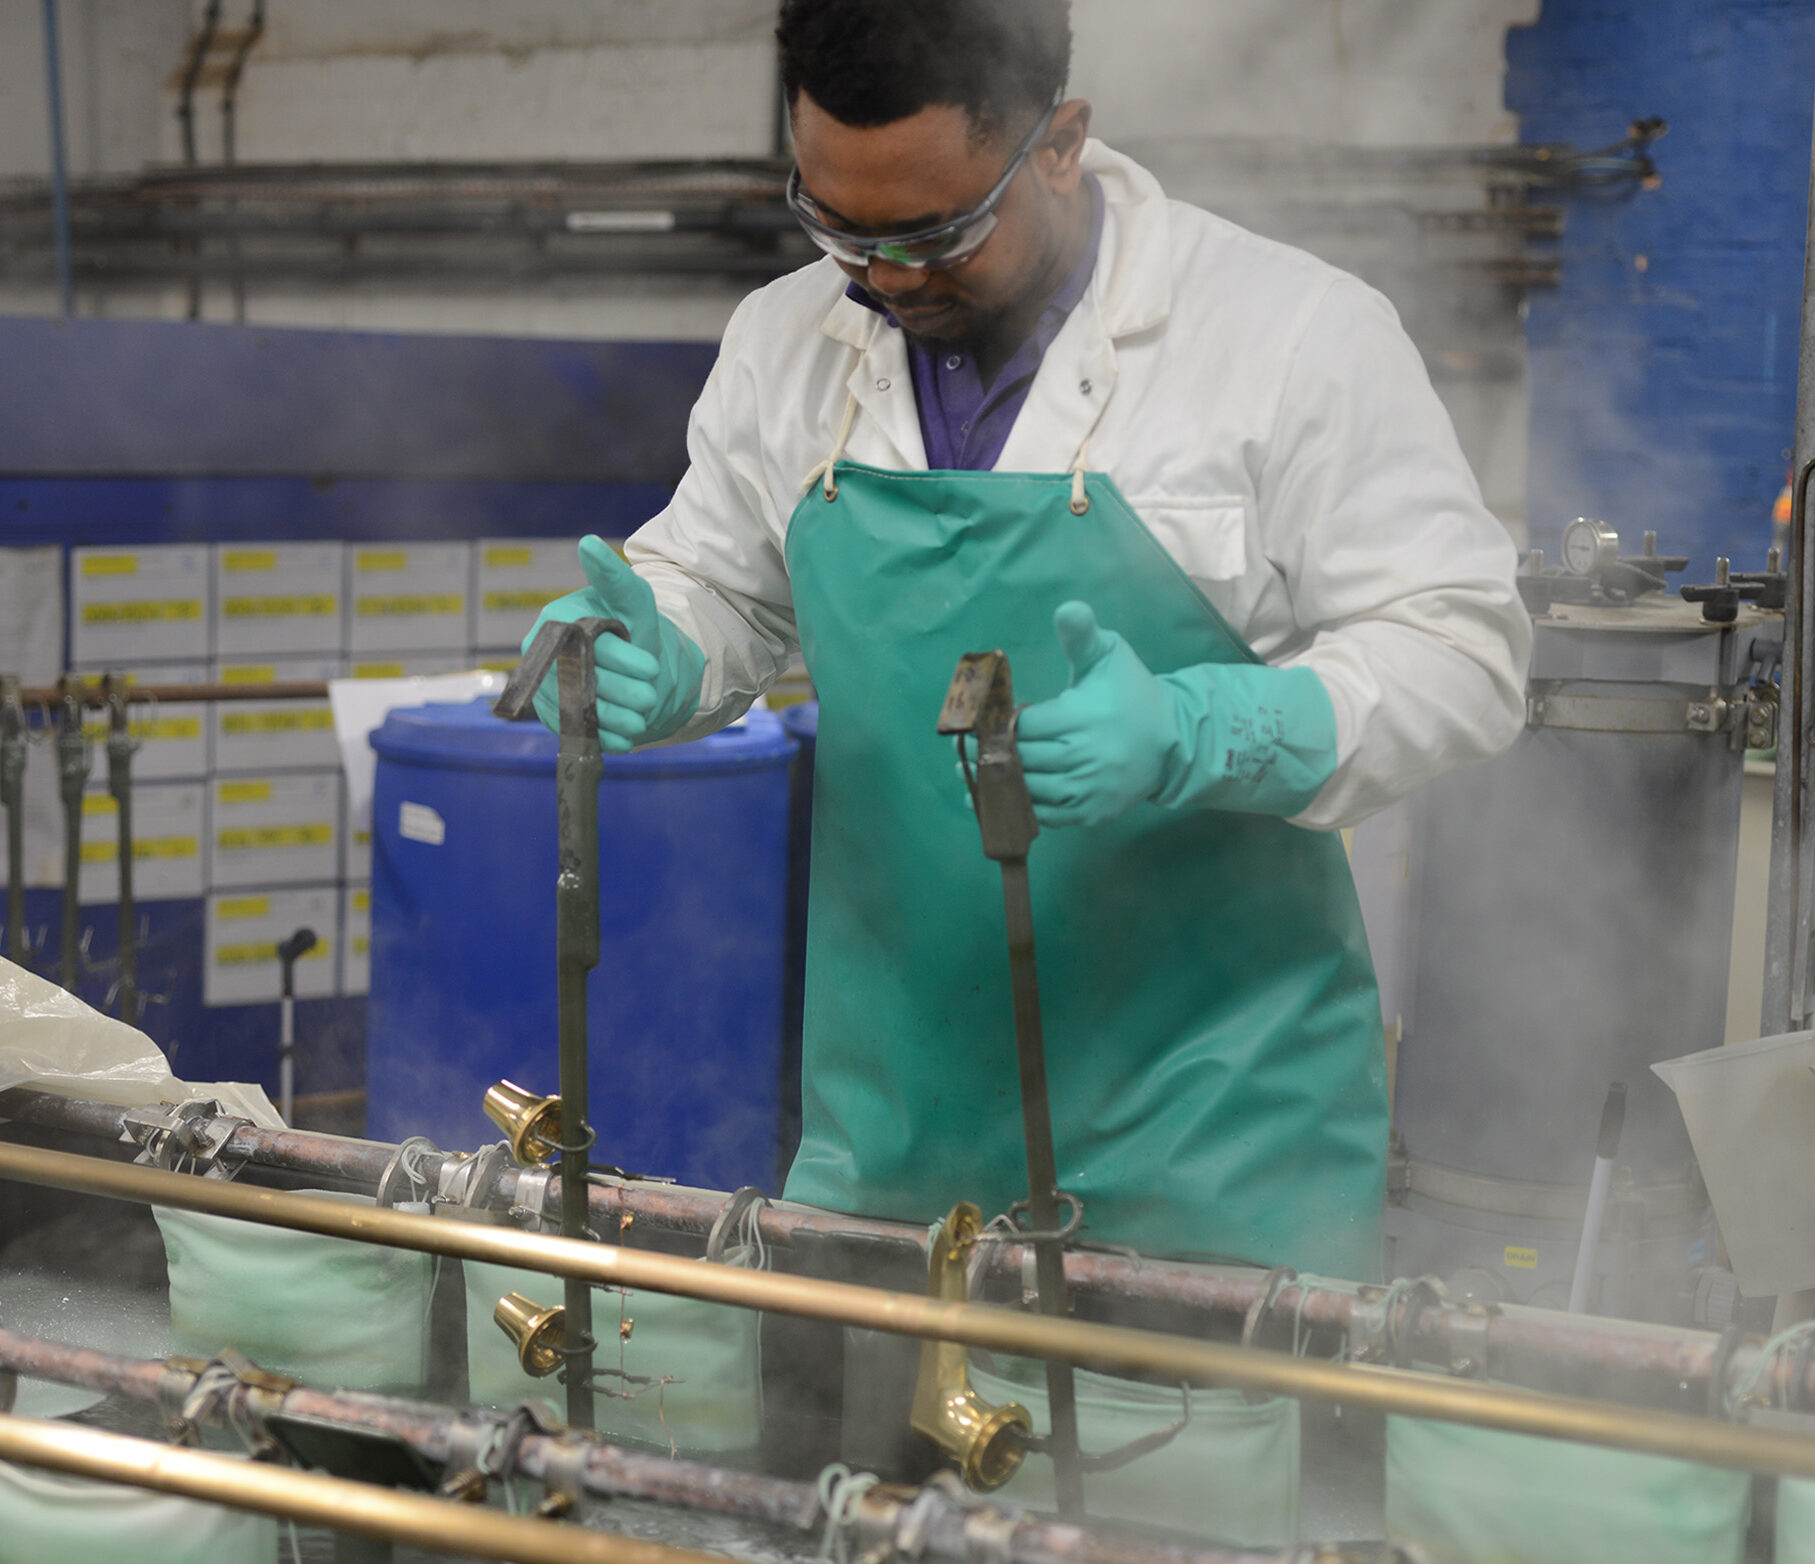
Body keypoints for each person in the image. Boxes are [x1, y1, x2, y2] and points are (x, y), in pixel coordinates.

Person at [527, 0, 1529, 1532]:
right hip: (891, 1136)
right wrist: (657, 649)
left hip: (1209, 1142)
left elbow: (1463, 650)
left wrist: (1208, 727)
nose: (882, 278)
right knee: (856, 1528)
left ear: (1059, 142)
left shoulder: (1287, 340)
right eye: (835, 225)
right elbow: (719, 582)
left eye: (936, 234)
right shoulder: (790, 342)